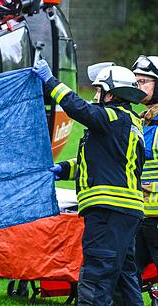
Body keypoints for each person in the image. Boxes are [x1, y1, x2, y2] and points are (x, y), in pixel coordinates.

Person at [42, 59, 146, 305]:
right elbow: (103, 162)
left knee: (97, 274)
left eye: (99, 90)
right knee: (123, 276)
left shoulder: (112, 117)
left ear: (111, 94)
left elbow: (80, 109)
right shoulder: (128, 122)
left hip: (108, 212)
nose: (95, 95)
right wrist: (65, 169)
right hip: (126, 212)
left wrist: (51, 82)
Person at [133, 56, 158, 279]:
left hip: (156, 217)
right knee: (127, 273)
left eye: (144, 81)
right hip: (141, 214)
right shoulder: (142, 120)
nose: (138, 86)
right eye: (136, 82)